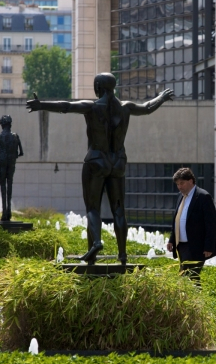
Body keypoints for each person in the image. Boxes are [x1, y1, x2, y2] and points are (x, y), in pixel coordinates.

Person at [26, 73, 174, 265]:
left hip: (96, 160)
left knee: (92, 208)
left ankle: (95, 245)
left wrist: (42, 105)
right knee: (119, 210)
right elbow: (147, 108)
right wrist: (161, 97)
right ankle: (122, 255)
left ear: (98, 86)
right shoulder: (126, 107)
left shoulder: (93, 107)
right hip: (118, 162)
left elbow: (67, 106)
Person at [166, 167, 216, 285]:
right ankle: (192, 302)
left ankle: (196, 302)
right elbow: (176, 220)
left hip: (196, 246)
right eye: (177, 184)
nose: (179, 187)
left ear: (191, 181)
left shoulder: (203, 197)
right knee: (187, 277)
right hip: (181, 246)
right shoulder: (181, 197)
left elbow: (211, 223)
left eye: (182, 183)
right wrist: (172, 240)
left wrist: (209, 246)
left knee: (190, 276)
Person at [0, 115, 24, 221]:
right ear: (10, 124)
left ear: (2, 125)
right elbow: (21, 152)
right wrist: (14, 156)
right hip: (11, 162)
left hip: (1, 162)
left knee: (3, 186)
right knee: (10, 184)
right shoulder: (16, 136)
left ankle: (4, 212)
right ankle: (9, 210)